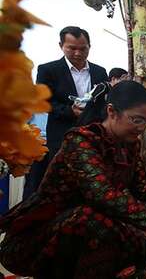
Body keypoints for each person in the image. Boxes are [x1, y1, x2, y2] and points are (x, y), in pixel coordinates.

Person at [0, 81, 146, 278]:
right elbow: (101, 194)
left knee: (134, 239)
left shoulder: (130, 145)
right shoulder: (81, 140)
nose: (141, 127)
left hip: (89, 227)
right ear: (112, 111)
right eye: (136, 120)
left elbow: (139, 188)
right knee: (93, 219)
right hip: (42, 236)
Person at [24, 26, 108, 200]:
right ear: (61, 46)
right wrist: (69, 111)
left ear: (89, 47)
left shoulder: (100, 72)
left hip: (92, 139)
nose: (78, 53)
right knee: (58, 184)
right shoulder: (48, 70)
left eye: (83, 48)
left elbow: (103, 104)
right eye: (72, 48)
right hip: (60, 138)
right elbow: (44, 102)